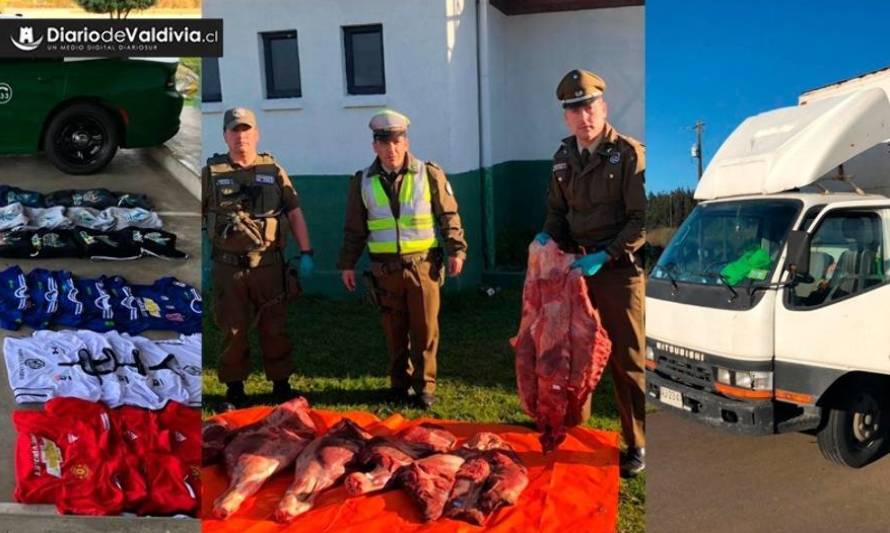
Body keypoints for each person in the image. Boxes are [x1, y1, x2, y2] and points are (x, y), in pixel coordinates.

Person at [536, 70, 647, 477]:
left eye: (589, 107)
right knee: (572, 354)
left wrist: (606, 254)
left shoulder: (629, 153)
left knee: (626, 359)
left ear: (603, 107)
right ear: (566, 116)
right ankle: (572, 428)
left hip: (617, 273)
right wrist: (549, 236)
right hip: (574, 270)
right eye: (574, 110)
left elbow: (641, 219)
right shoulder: (563, 157)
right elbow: (558, 212)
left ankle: (636, 441)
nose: (583, 117)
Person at [337, 109, 467, 409]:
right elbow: (354, 228)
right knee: (395, 332)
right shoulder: (362, 182)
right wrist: (347, 263)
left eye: (396, 141)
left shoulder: (429, 173)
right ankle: (399, 384)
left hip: (423, 267)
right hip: (385, 272)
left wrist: (456, 249)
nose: (391, 149)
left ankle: (425, 387)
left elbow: (448, 214)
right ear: (375, 147)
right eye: (384, 143)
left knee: (425, 330)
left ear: (405, 142)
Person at [202, 107, 315, 406]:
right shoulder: (212, 173)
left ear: (257, 133)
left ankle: (280, 385)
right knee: (233, 329)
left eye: (246, 130)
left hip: (269, 265)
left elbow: (294, 212)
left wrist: (306, 252)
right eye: (234, 130)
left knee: (274, 326)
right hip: (228, 268)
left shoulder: (274, 170)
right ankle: (235, 389)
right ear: (225, 135)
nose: (241, 136)